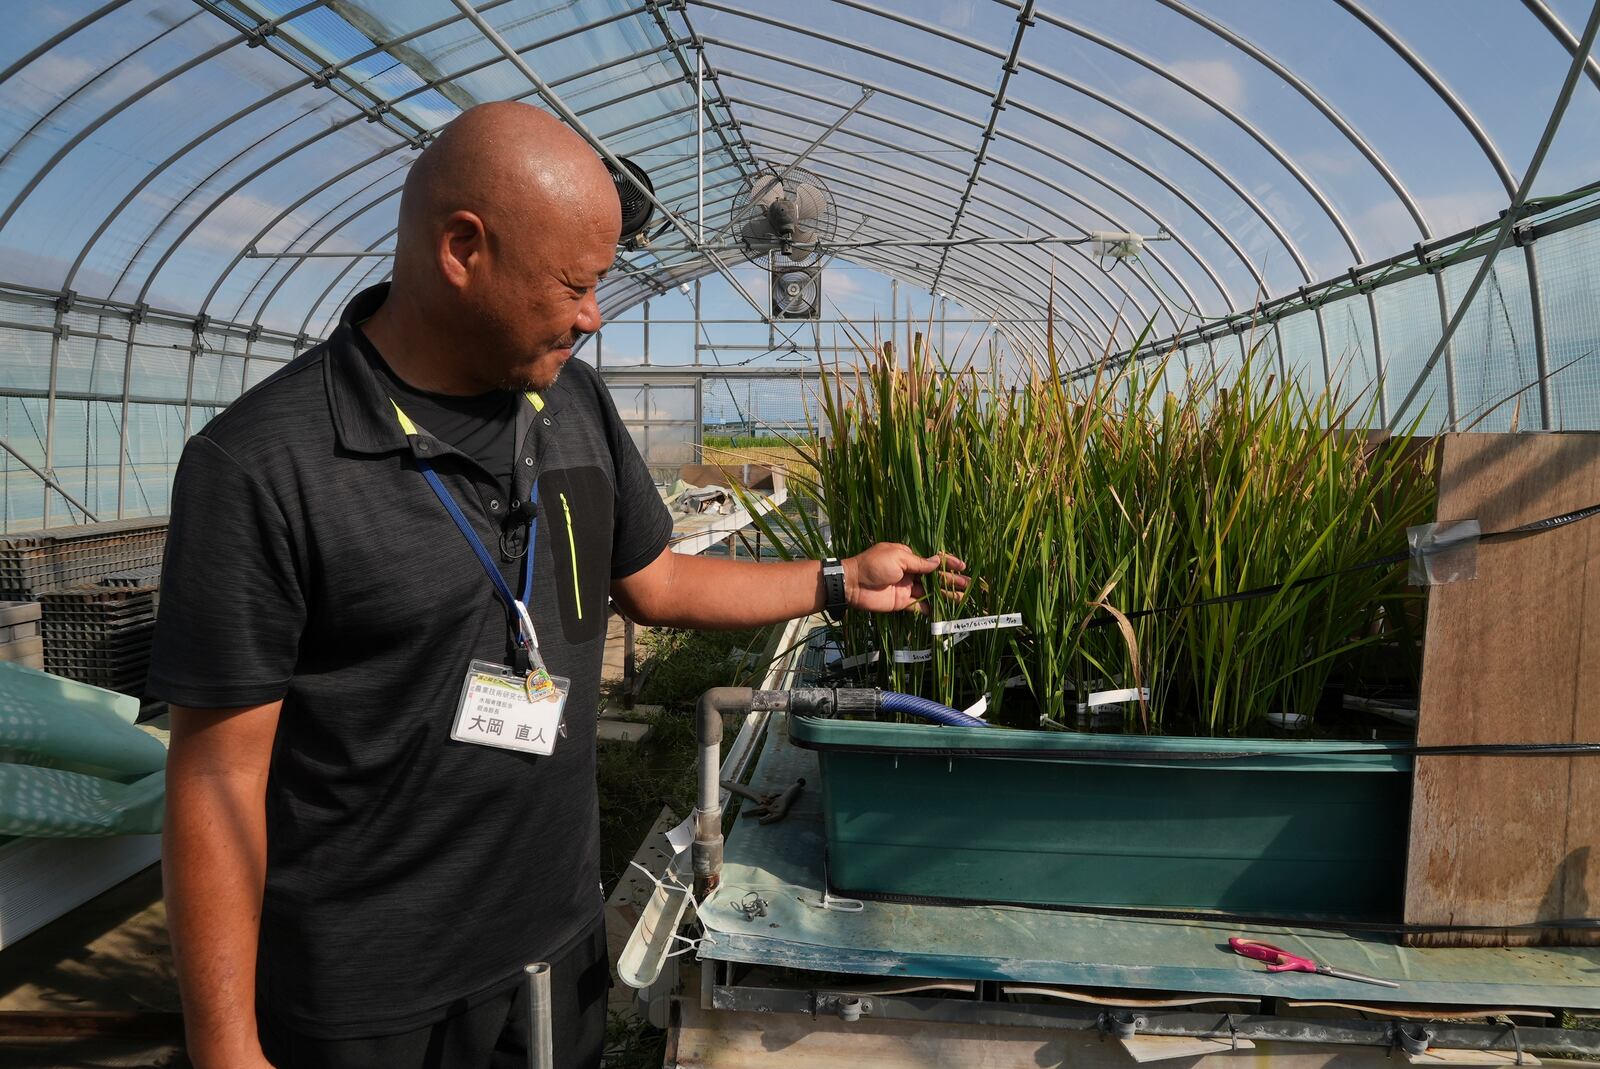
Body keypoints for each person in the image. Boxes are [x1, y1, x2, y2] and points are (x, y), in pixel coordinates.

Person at [150, 101, 968, 1069]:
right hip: (365, 991)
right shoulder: (264, 463)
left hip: (555, 939)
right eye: (574, 284)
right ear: (464, 247)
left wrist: (837, 580)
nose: (591, 315)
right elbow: (217, 777)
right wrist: (225, 1046)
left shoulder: (569, 398)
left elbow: (655, 581)